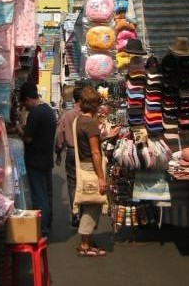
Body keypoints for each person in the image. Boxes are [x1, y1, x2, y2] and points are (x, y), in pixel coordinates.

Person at [17, 82, 56, 238]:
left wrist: (20, 129)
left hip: (35, 160)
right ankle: (47, 224)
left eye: (24, 103)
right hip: (46, 158)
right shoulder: (48, 111)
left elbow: (28, 139)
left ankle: (43, 230)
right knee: (46, 193)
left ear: (28, 98)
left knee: (39, 195)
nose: (25, 106)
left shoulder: (35, 113)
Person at [74, 86, 108, 257]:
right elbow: (95, 152)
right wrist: (101, 177)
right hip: (91, 168)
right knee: (92, 206)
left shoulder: (79, 120)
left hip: (83, 165)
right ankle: (85, 244)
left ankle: (88, 240)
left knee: (89, 204)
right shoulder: (90, 123)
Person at [55, 85, 83, 227]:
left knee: (72, 183)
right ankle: (84, 214)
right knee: (85, 181)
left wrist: (58, 152)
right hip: (86, 151)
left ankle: (75, 213)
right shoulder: (88, 114)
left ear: (74, 98)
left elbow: (60, 135)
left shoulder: (67, 114)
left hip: (71, 151)